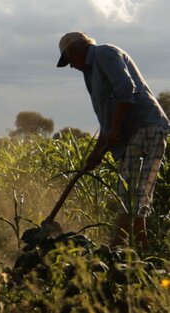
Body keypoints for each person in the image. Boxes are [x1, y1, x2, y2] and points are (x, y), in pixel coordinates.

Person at [56, 32, 170, 249]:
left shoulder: (104, 53)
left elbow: (127, 89)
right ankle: (141, 252)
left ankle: (116, 248)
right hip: (134, 133)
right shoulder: (90, 73)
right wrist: (96, 153)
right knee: (135, 196)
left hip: (145, 126)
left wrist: (116, 128)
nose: (71, 66)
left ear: (74, 51)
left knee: (131, 195)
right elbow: (108, 122)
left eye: (69, 60)